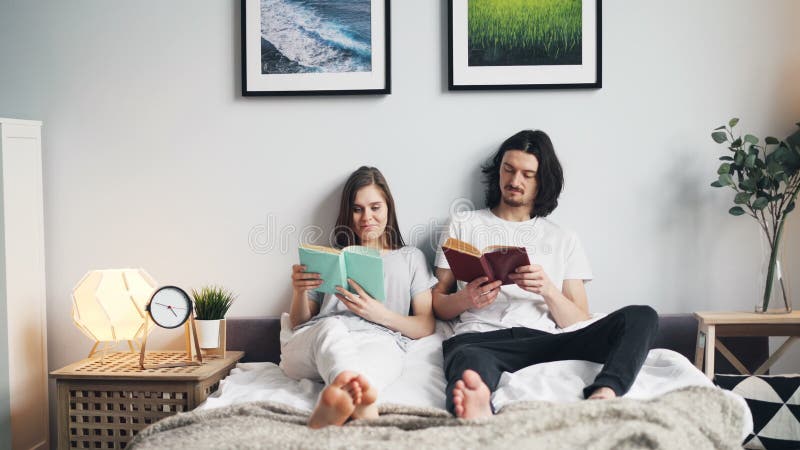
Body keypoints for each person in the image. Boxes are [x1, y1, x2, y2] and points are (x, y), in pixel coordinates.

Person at [432, 130, 659, 419]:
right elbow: (438, 303)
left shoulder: (563, 237)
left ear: (542, 181)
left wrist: (548, 290)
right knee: (467, 360)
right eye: (509, 169)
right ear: (498, 170)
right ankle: (477, 411)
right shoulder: (463, 223)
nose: (515, 182)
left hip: (546, 339)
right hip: (482, 339)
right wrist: (466, 298)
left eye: (528, 174)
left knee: (642, 316)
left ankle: (605, 392)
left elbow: (578, 320)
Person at [280, 166, 438, 428]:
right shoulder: (329, 258)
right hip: (315, 342)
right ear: (348, 212)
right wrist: (298, 292)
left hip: (380, 339)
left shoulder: (410, 258)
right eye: (358, 209)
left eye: (375, 207)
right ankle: (349, 394)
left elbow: (426, 324)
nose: (367, 217)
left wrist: (379, 315)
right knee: (331, 327)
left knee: (372, 370)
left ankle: (346, 403)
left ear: (388, 207)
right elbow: (299, 324)